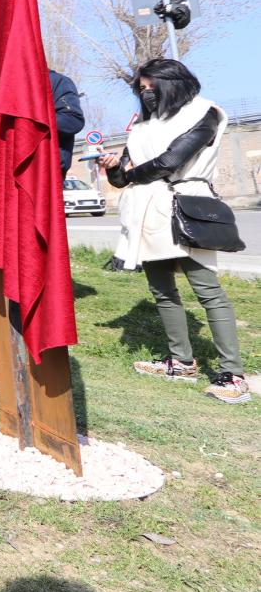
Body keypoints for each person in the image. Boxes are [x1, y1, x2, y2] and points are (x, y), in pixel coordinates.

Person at [100, 58, 249, 404]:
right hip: (146, 212)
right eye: (142, 88)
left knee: (208, 290)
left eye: (152, 86)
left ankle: (233, 373)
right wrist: (113, 168)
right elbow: (124, 177)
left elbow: (171, 161)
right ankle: (180, 361)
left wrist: (135, 172)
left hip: (186, 206)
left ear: (175, 83)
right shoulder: (142, 126)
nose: (146, 93)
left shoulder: (205, 113)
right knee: (162, 290)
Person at [0, 67, 87, 353]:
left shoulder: (57, 82)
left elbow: (72, 120)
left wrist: (28, 117)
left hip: (40, 176)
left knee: (35, 251)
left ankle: (40, 316)